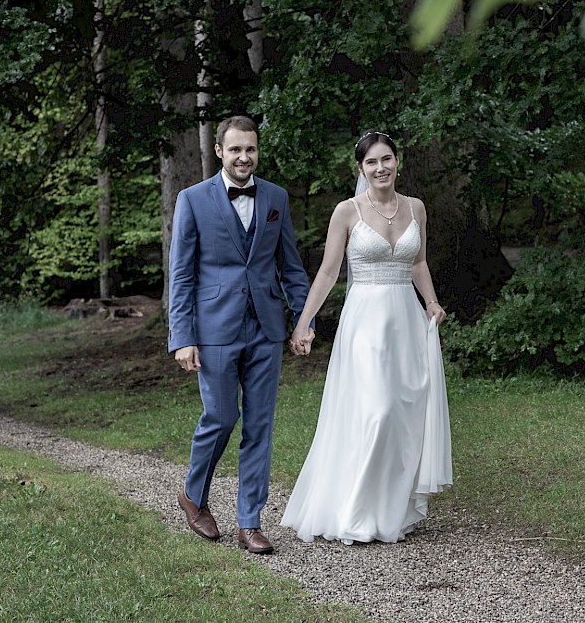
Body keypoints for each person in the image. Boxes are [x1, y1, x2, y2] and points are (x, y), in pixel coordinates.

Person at [281, 130, 453, 544]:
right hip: (366, 324)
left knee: (403, 417)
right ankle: (355, 511)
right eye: (372, 162)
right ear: (361, 169)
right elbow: (327, 272)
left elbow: (419, 263)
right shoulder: (347, 211)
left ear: (398, 162)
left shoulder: (416, 208)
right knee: (375, 411)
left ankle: (390, 512)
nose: (381, 168)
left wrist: (431, 302)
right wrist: (304, 322)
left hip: (406, 321)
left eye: (387, 159)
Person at [168, 115, 311, 555]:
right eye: (235, 150)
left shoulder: (276, 198)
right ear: (220, 152)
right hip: (214, 329)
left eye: (250, 149)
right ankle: (194, 495)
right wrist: (182, 336)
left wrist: (303, 321)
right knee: (222, 416)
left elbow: (290, 265)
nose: (244, 157)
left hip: (266, 328)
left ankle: (250, 522)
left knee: (260, 425)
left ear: (257, 150)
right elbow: (181, 274)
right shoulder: (192, 200)